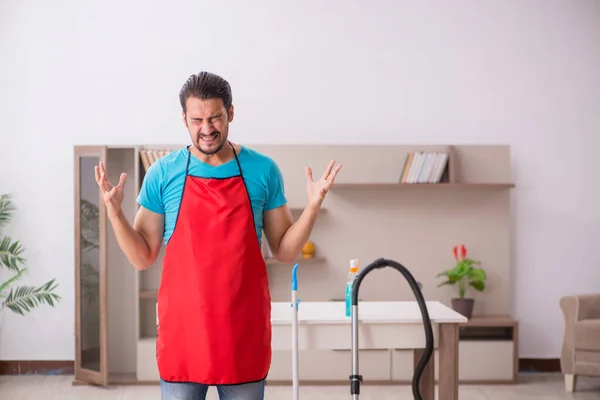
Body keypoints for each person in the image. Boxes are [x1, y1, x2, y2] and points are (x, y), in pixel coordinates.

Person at [94, 71, 342, 400]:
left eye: (215, 118)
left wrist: (312, 207)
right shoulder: (162, 173)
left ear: (231, 114)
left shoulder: (263, 169)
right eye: (197, 119)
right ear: (184, 118)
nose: (207, 129)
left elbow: (284, 251)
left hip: (242, 329)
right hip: (184, 331)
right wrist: (114, 212)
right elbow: (142, 257)